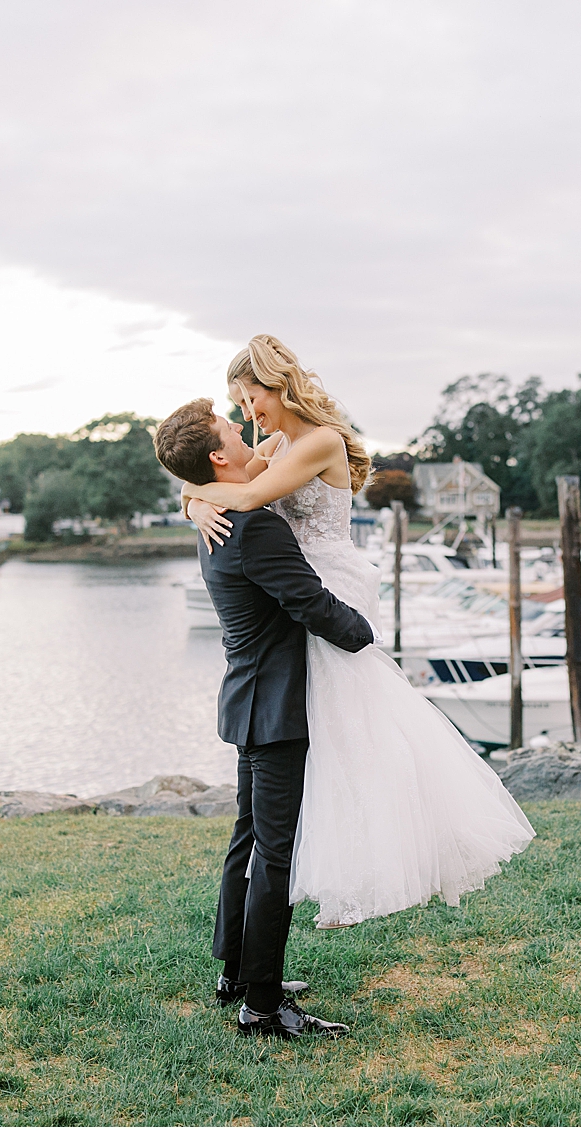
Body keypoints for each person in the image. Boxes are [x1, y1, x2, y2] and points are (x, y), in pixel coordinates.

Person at [180, 335, 535, 932]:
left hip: (328, 589)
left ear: (276, 383)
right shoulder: (275, 443)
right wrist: (191, 498)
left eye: (250, 398)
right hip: (302, 588)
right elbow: (224, 481)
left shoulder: (318, 441)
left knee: (352, 733)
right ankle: (259, 943)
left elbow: (243, 493)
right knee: (306, 761)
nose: (247, 414)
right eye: (238, 406)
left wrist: (194, 497)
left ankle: (344, 863)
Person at [153, 397, 370, 1040]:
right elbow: (309, 603)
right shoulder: (252, 525)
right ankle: (264, 1005)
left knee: (247, 843)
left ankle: (236, 973)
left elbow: (202, 484)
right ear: (220, 457)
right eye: (231, 430)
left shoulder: (214, 517)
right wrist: (368, 640)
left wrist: (192, 498)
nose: (245, 432)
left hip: (247, 698)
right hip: (277, 708)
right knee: (274, 854)